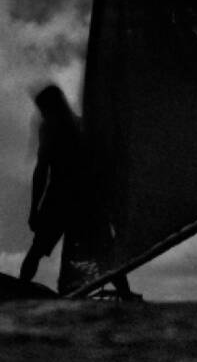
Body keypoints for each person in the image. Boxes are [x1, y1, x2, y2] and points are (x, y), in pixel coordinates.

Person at [19, 85, 139, 301]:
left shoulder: (58, 128)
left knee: (103, 255)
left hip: (75, 201)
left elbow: (42, 169)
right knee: (102, 256)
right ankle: (125, 294)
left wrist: (34, 209)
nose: (42, 114)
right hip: (73, 201)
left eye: (44, 109)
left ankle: (125, 294)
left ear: (53, 107)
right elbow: (43, 170)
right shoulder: (70, 126)